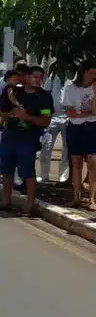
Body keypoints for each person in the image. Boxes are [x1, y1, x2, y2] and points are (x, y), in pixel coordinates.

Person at [0, 64, 53, 215]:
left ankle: (29, 203)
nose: (37, 80)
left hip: (28, 137)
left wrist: (27, 117)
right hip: (10, 133)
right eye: (34, 76)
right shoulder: (15, 92)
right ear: (27, 77)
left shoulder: (45, 98)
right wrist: (9, 114)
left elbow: (46, 120)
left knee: (27, 171)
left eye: (41, 78)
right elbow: (3, 111)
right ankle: (6, 199)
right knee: (7, 169)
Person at [60, 62, 96, 209]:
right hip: (75, 127)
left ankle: (92, 199)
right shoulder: (70, 88)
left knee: (93, 162)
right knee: (76, 162)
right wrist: (86, 113)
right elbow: (69, 112)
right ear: (83, 72)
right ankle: (76, 197)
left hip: (92, 127)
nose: (94, 76)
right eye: (91, 72)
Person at [0, 63, 29, 183]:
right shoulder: (8, 87)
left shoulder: (25, 87)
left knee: (17, 152)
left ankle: (16, 177)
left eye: (19, 76)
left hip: (17, 122)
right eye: (15, 77)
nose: (17, 79)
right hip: (6, 119)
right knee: (0, 151)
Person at [40, 70, 70, 185]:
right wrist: (46, 115)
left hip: (68, 117)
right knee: (46, 148)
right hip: (52, 117)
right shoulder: (52, 77)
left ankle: (63, 176)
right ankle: (44, 176)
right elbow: (45, 97)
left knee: (67, 149)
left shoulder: (73, 76)